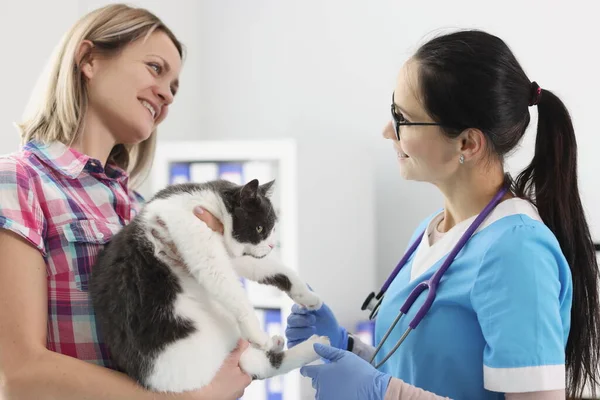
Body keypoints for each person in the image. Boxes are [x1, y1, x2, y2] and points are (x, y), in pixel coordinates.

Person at [286, 30, 600, 400]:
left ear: (467, 142)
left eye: (402, 118)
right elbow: (422, 372)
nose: (388, 131)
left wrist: (384, 393)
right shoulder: (432, 231)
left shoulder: (517, 252)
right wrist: (348, 348)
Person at [0, 4, 250, 399]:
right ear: (89, 59)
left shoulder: (140, 209)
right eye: (155, 68)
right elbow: (17, 375)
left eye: (174, 87)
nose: (166, 94)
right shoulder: (19, 182)